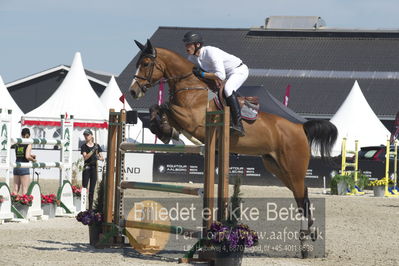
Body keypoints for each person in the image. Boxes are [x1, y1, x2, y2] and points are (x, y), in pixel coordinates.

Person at [183, 31, 249, 136]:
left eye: (189, 44)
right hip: (221, 76)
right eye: (186, 44)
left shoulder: (210, 52)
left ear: (197, 45)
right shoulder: (191, 58)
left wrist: (203, 74)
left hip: (238, 70)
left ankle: (238, 125)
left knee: (228, 89)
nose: (186, 47)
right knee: (208, 93)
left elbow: (220, 75)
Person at [80, 129, 104, 210]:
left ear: (91, 136)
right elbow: (85, 157)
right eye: (85, 135)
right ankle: (83, 207)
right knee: (84, 188)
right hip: (87, 168)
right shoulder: (83, 146)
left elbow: (102, 157)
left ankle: (90, 208)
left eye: (87, 135)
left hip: (94, 168)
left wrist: (98, 157)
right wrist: (93, 150)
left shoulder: (97, 146)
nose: (86, 136)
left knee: (92, 190)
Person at [13, 128, 36, 195]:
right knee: (25, 189)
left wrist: (30, 155)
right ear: (29, 134)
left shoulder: (17, 143)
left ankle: (12, 203)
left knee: (15, 189)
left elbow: (22, 154)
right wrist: (33, 160)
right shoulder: (29, 143)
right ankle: (24, 204)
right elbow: (27, 156)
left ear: (21, 134)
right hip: (24, 166)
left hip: (17, 165)